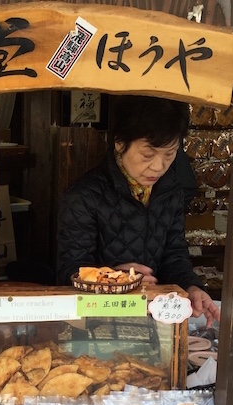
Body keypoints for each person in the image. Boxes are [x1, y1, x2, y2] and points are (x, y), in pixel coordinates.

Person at [57, 94, 219, 328]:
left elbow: (173, 254)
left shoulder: (170, 190)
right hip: (96, 325)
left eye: (169, 155)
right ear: (120, 143)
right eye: (148, 154)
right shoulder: (83, 196)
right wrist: (111, 278)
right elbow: (69, 271)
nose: (158, 166)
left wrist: (192, 286)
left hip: (154, 323)